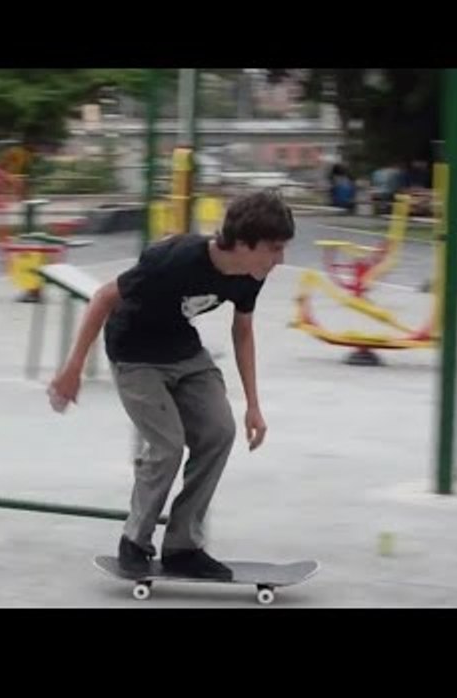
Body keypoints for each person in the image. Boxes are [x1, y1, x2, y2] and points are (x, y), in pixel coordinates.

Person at [47, 189, 295, 580]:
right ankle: (134, 541)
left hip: (184, 352)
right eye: (274, 248)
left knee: (219, 432)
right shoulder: (174, 258)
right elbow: (103, 297)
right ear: (244, 244)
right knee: (166, 446)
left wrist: (253, 404)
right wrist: (73, 367)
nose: (280, 259)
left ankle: (183, 547)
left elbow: (242, 330)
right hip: (135, 354)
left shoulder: (252, 274)